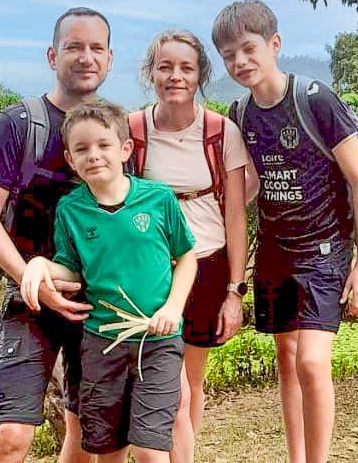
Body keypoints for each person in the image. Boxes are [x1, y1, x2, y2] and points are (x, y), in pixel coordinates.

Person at [211, 0, 358, 463]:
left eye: (248, 48)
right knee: (286, 359)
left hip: (324, 249)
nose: (240, 61)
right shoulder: (239, 113)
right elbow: (245, 190)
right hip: (275, 252)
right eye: (229, 55)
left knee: (310, 361)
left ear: (274, 44)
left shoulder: (315, 100)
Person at [0, 7, 112, 463]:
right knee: (12, 434)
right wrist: (31, 278)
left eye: (96, 48)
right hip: (28, 301)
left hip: (99, 301)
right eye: (74, 47)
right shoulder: (18, 126)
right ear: (53, 56)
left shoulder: (118, 132)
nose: (85, 57)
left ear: (109, 59)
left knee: (87, 432)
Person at [20, 101, 198, 463]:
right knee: (107, 449)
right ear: (70, 159)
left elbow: (187, 257)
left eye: (103, 145)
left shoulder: (158, 199)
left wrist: (173, 307)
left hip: (157, 339)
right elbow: (71, 271)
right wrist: (39, 265)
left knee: (151, 449)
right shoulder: (71, 209)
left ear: (125, 149)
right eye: (82, 149)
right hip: (102, 343)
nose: (94, 156)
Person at [129, 29, 252, 463]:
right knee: (159, 381)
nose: (175, 76)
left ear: (200, 75)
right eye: (165, 67)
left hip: (208, 264)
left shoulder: (221, 132)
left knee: (189, 383)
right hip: (150, 272)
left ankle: (183, 454)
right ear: (151, 73)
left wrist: (235, 292)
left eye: (186, 68)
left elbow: (236, 214)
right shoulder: (133, 130)